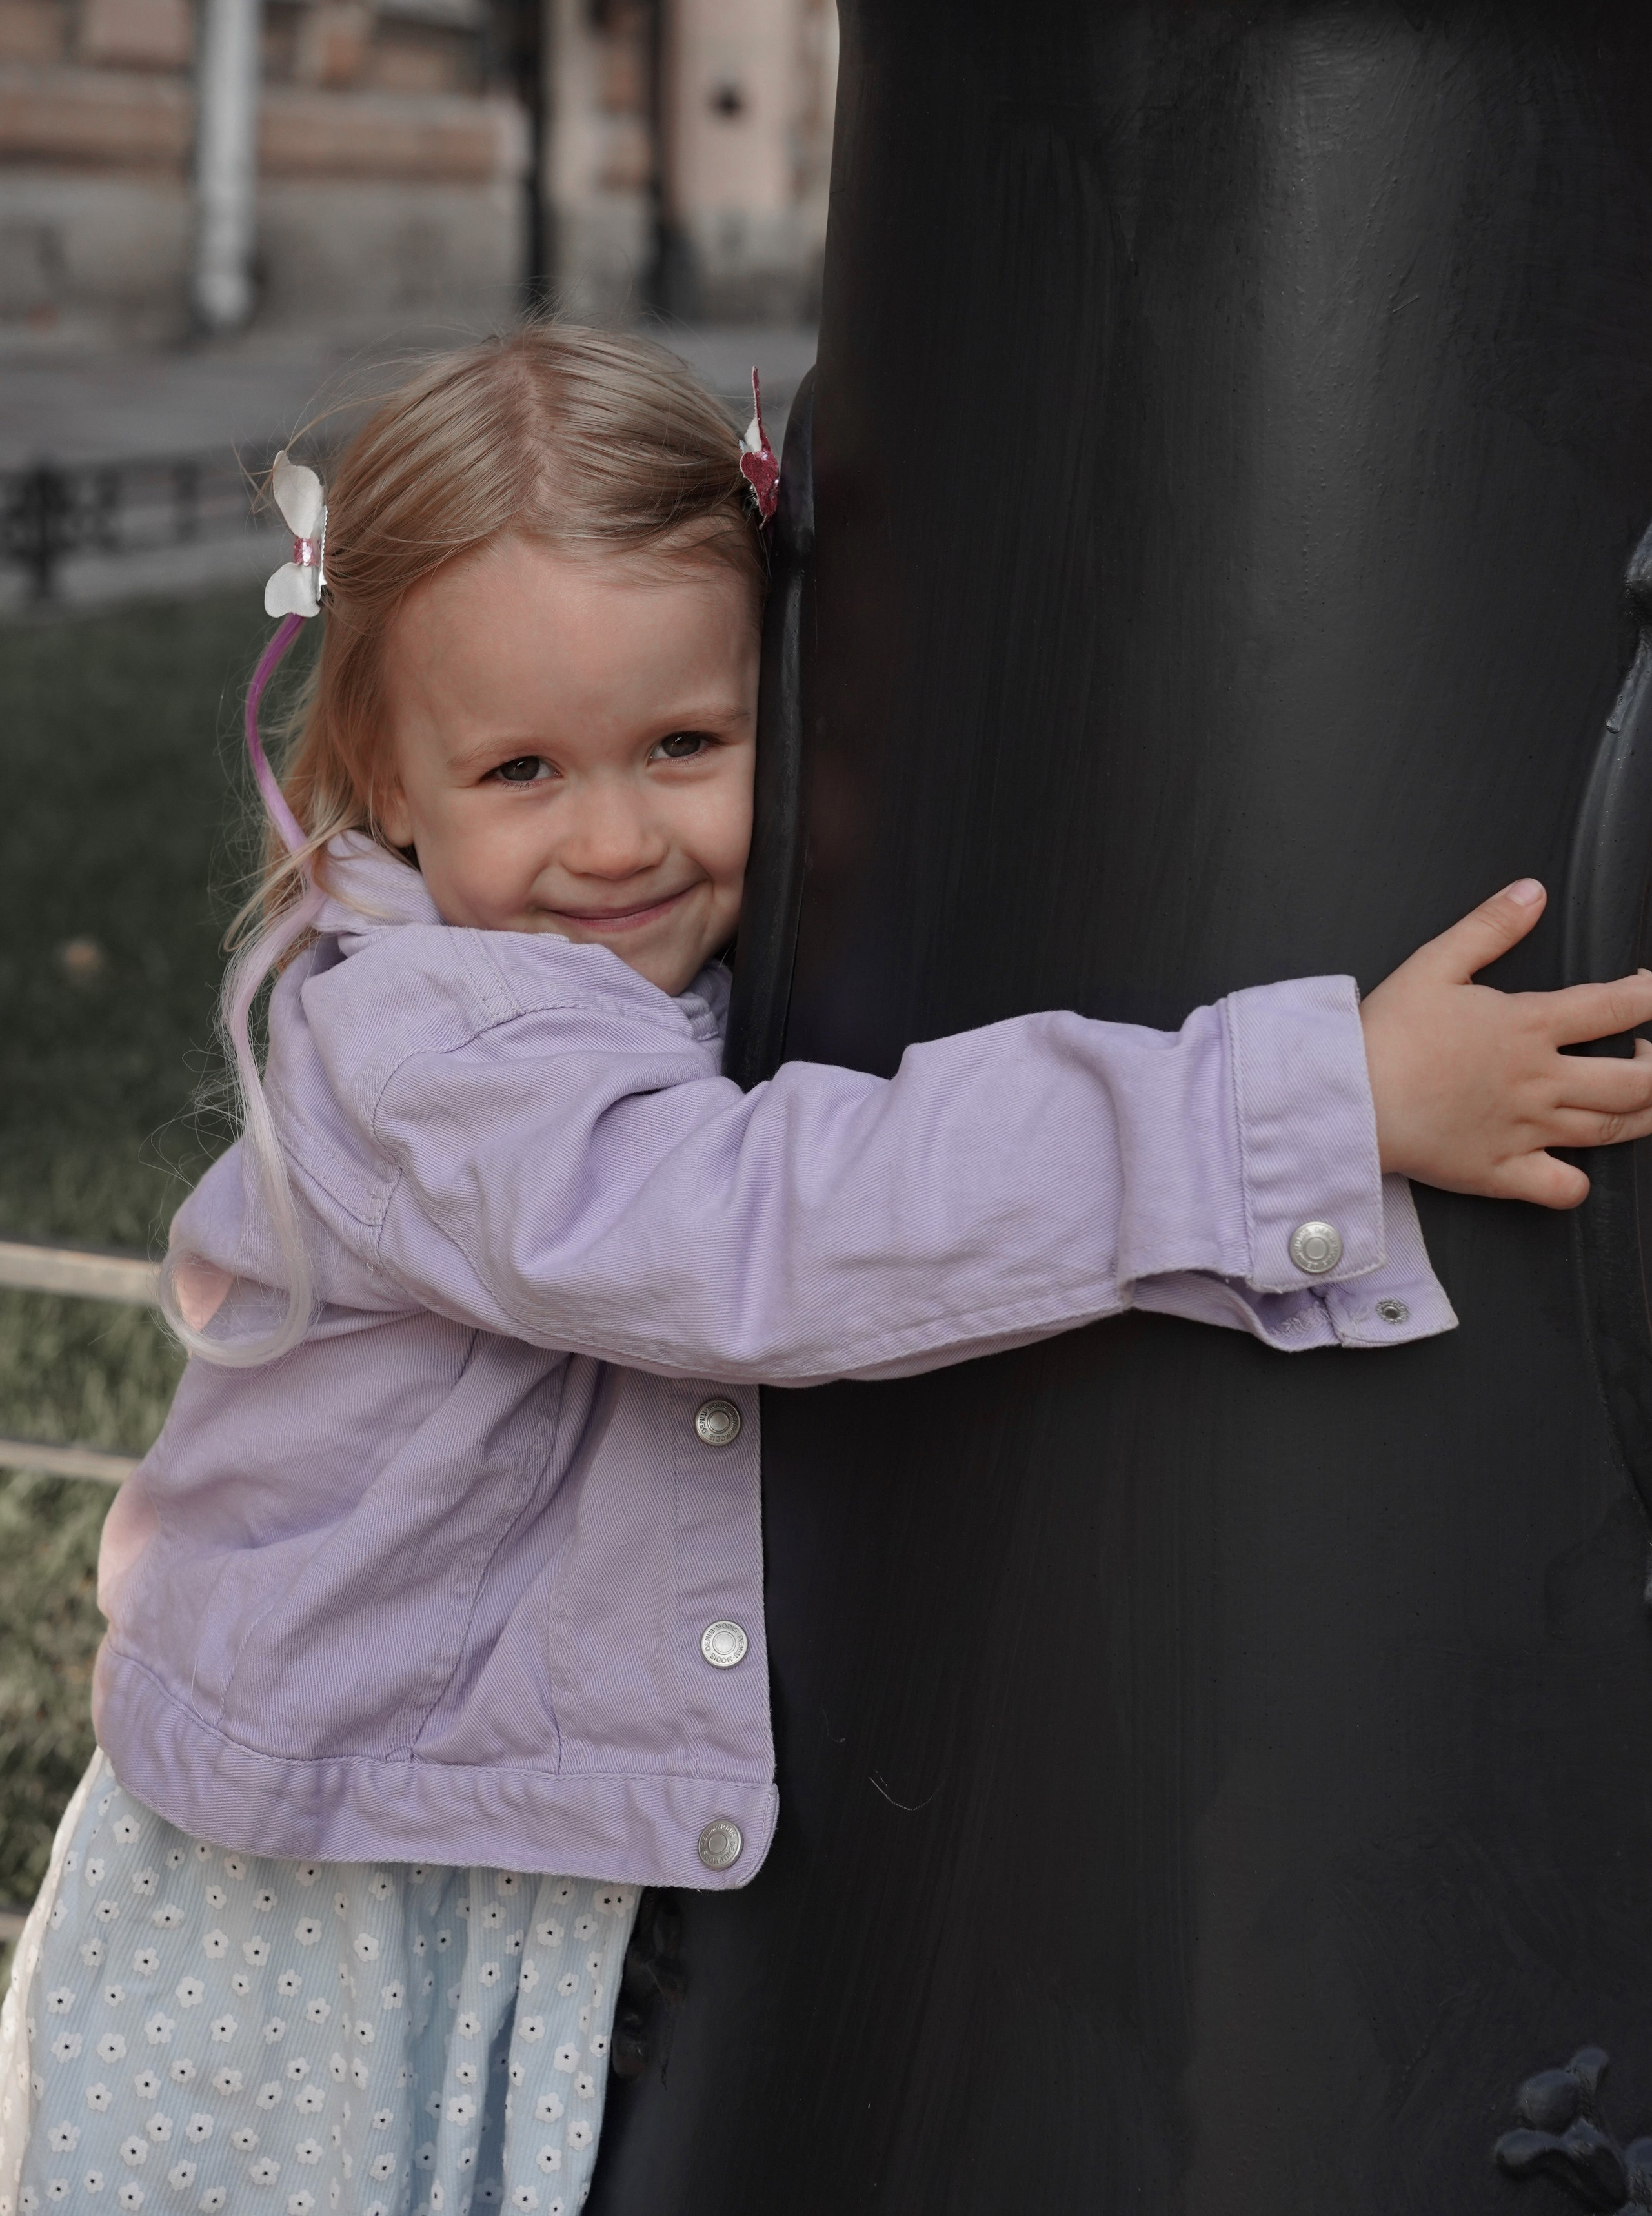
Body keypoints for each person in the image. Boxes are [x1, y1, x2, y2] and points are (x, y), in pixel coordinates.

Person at [3, 324, 1649, 2216]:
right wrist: (1302, 1105)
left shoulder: (607, 979)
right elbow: (768, 1233)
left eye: (682, 746)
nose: (613, 838)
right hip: (311, 1896)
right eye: (523, 769)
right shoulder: (436, 1051)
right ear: (380, 776)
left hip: (437, 1822)